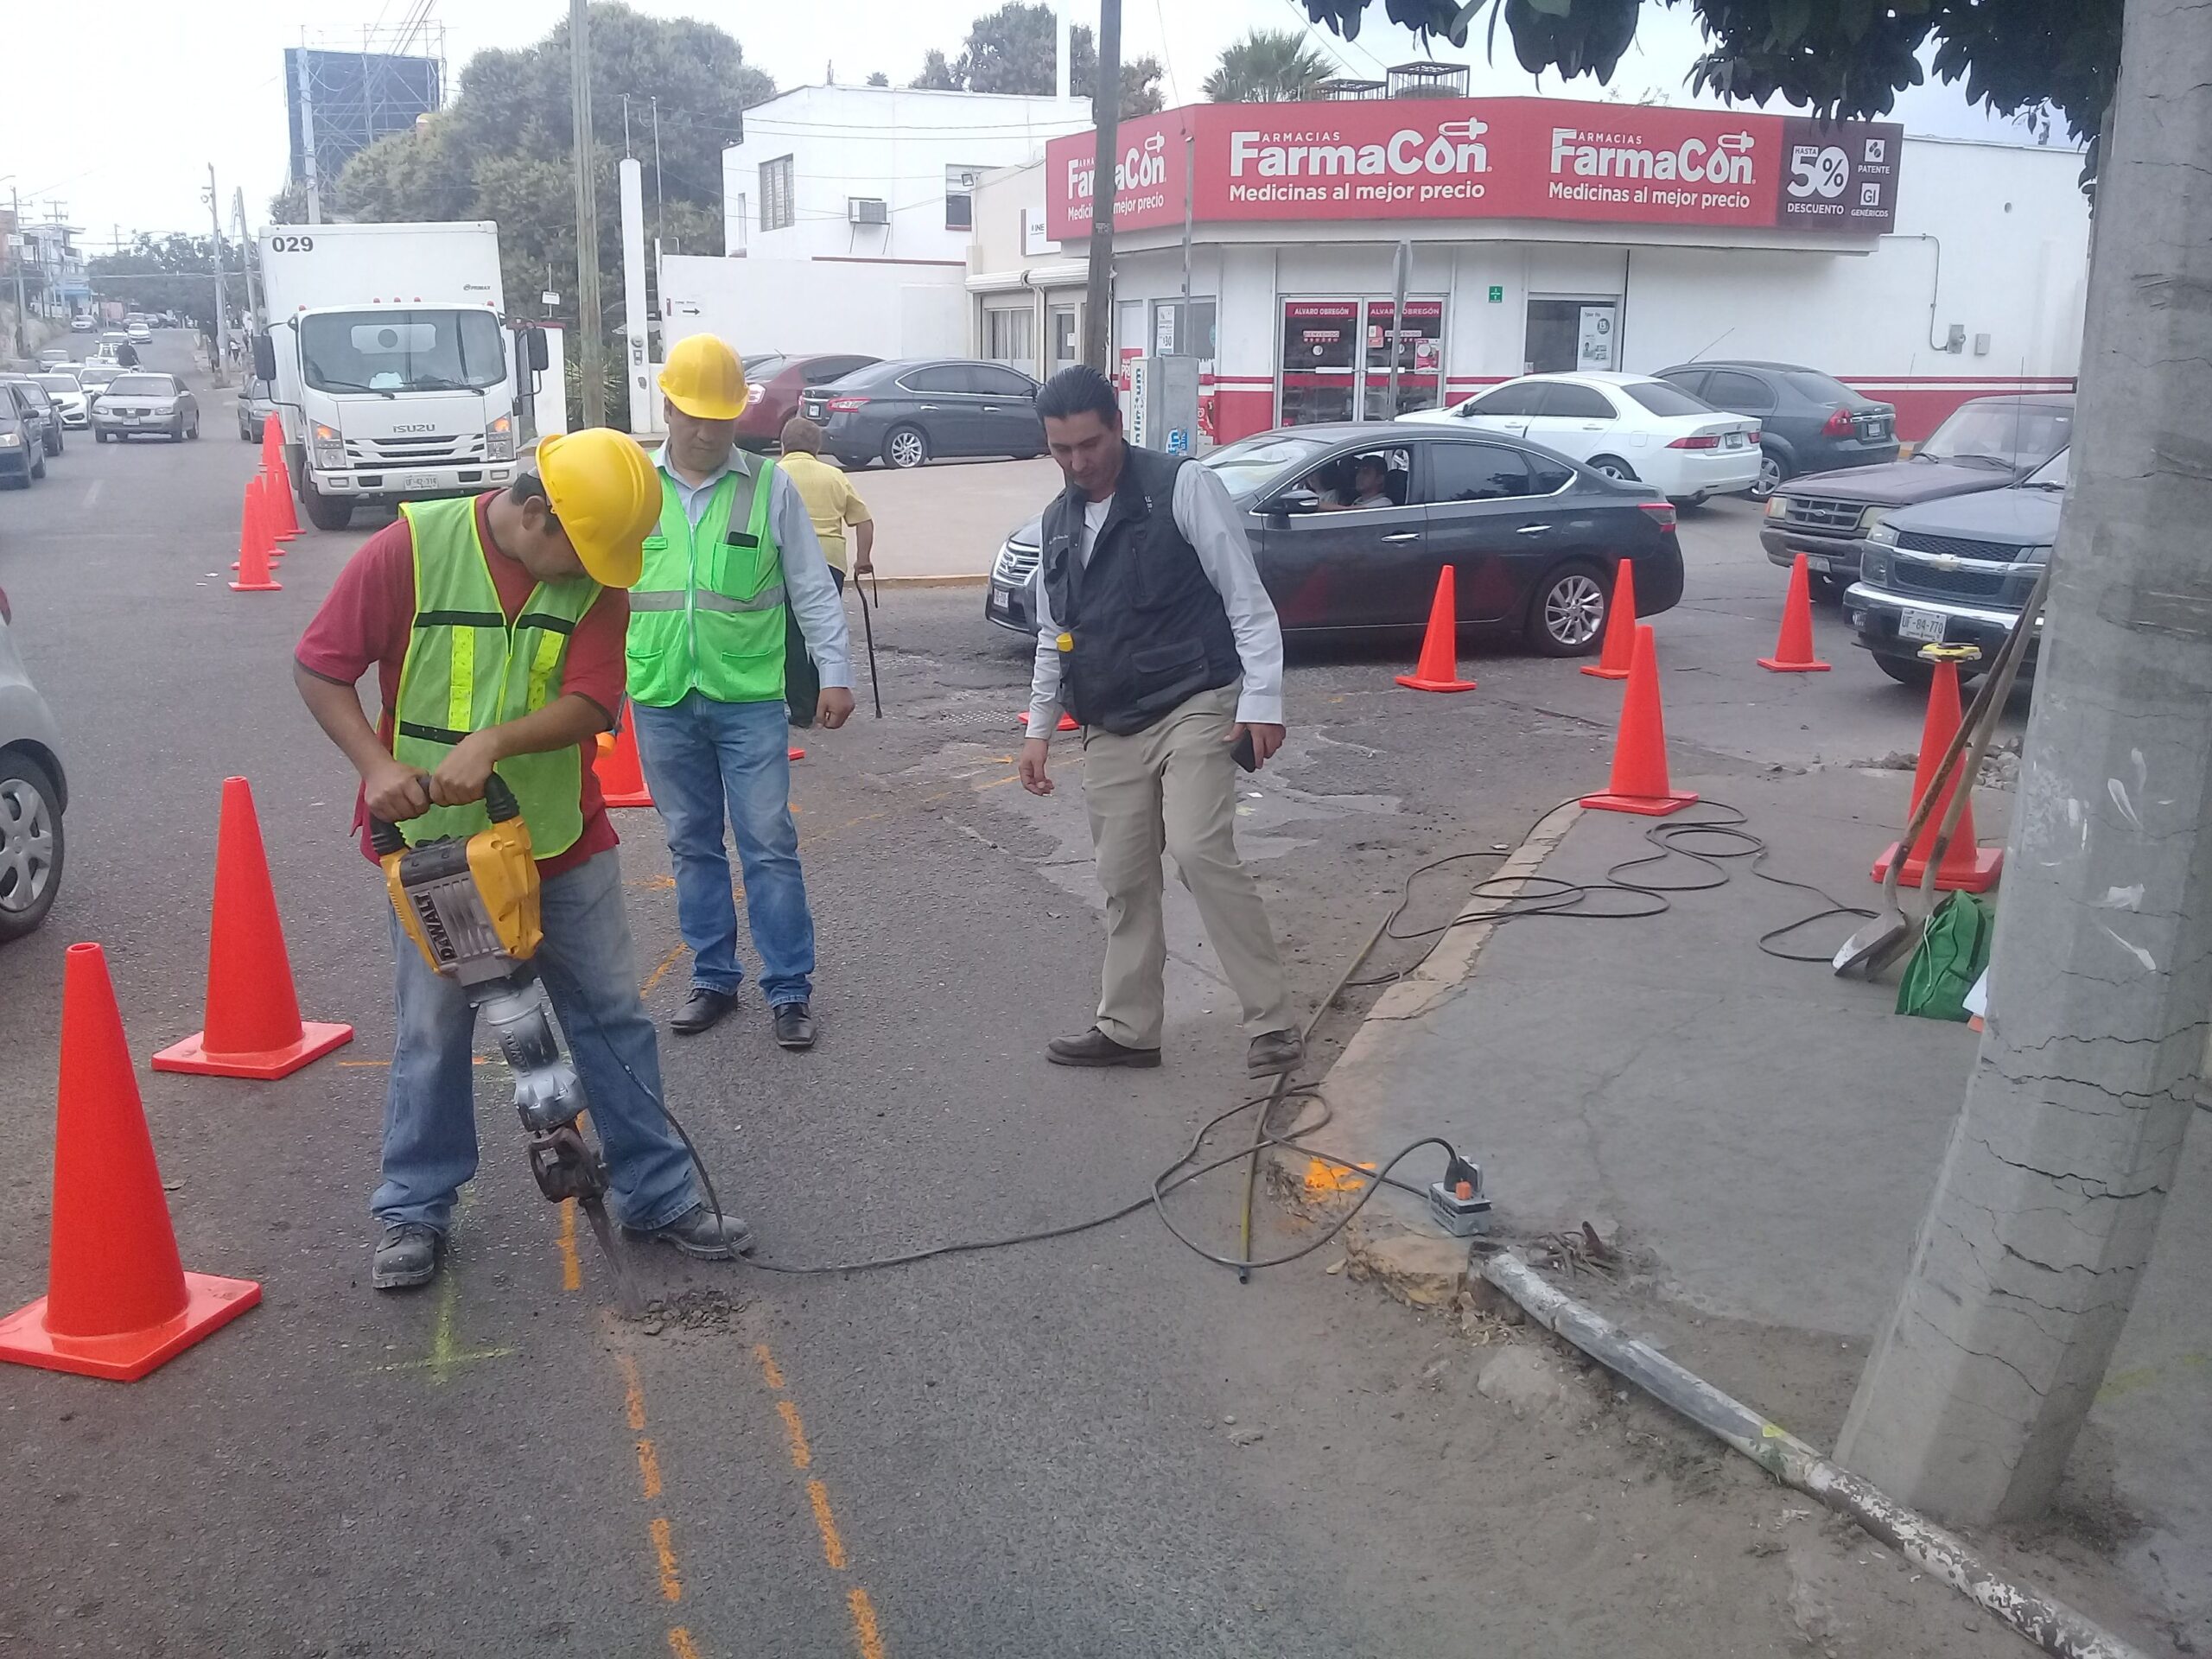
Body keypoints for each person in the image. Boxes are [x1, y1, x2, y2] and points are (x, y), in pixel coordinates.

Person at [294, 428, 753, 1292]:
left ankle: (656, 1195)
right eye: (581, 552)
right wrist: (377, 766)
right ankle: (413, 1209)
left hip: (560, 841)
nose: (594, 573)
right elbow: (320, 667)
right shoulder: (412, 549)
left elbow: (591, 701)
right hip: (437, 855)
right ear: (535, 513)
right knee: (433, 1033)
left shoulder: (596, 582)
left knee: (611, 1017)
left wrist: (498, 740)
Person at [1018, 365, 1303, 1078]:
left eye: (1089, 445)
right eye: (1061, 450)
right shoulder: (1056, 524)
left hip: (1196, 698)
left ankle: (1272, 1022)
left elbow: (1247, 598)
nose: (1078, 463)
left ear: (1117, 425)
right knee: (1122, 875)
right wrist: (1039, 730)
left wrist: (1262, 701)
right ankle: (1129, 1028)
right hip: (1111, 720)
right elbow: (1058, 635)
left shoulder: (1182, 486)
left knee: (1202, 849)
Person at [627, 334, 855, 1049]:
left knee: (767, 842)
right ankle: (713, 979)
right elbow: (601, 590)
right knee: (691, 843)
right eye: (692, 414)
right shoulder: (634, 485)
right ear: (667, 406)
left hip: (747, 697)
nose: (705, 430)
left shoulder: (769, 484)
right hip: (660, 694)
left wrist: (834, 672)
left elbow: (810, 586)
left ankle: (789, 989)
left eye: (719, 417)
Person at [776, 416, 874, 589]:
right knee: (826, 614)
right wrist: (863, 559)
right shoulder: (835, 475)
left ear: (783, 446)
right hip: (830, 560)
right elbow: (864, 521)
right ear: (817, 448)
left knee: (787, 615)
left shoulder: (774, 475)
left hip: (786, 558)